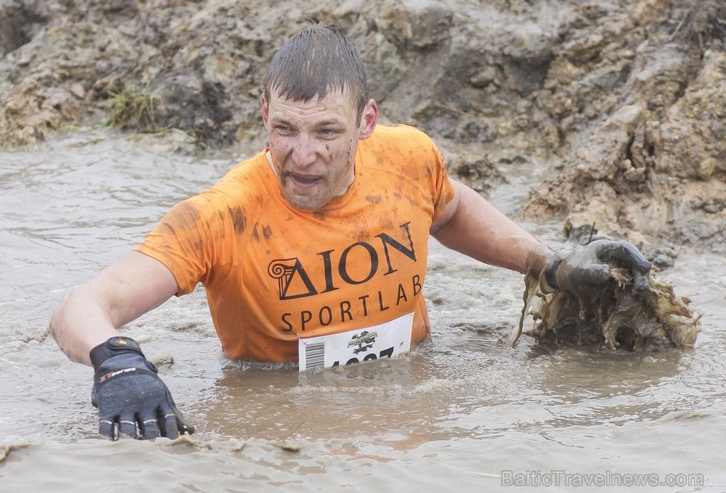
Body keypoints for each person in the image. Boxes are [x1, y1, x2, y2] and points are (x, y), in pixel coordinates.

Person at [48, 22, 650, 441]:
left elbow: (450, 210)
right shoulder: (222, 216)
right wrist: (117, 361)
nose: (301, 156)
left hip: (414, 386)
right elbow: (82, 305)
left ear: (367, 121)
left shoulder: (408, 157)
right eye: (285, 128)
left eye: (326, 133)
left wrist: (549, 263)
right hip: (282, 406)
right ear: (263, 112)